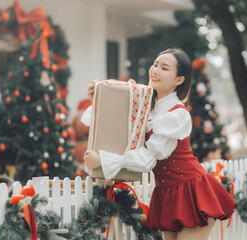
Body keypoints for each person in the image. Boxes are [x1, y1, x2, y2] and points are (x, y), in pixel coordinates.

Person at [82, 48, 237, 240]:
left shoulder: (176, 114)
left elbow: (148, 159)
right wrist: (98, 99)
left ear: (179, 80)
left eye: (164, 68)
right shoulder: (148, 107)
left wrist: (104, 160)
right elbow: (117, 127)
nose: (155, 70)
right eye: (155, 64)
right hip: (167, 193)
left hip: (192, 191)